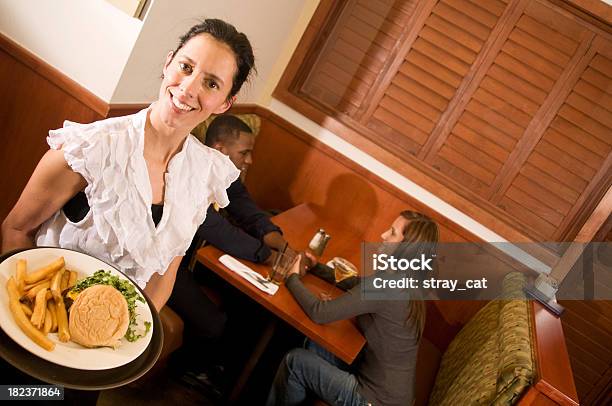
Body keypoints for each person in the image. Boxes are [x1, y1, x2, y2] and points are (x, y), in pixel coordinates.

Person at [1, 18, 256, 312]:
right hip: (40, 318)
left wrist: (133, 338)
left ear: (225, 103)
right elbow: (16, 229)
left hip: (108, 342)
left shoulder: (203, 175)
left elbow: (164, 274)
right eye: (186, 67)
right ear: (168, 63)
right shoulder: (91, 147)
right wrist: (24, 313)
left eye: (211, 83)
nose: (187, 89)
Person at [166, 114, 304, 395]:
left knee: (247, 305)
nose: (250, 160)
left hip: (194, 258)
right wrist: (267, 255)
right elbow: (215, 228)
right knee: (214, 324)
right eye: (245, 153)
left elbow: (243, 204)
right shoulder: (190, 171)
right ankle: (186, 370)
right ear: (220, 149)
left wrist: (278, 241)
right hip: (165, 264)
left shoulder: (224, 172)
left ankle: (228, 373)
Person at [266, 211, 439, 406]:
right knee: (312, 344)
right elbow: (358, 284)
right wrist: (317, 268)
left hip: (373, 400)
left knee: (295, 362)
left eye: (392, 233)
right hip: (392, 394)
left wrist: (292, 278)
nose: (383, 235)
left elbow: (320, 313)